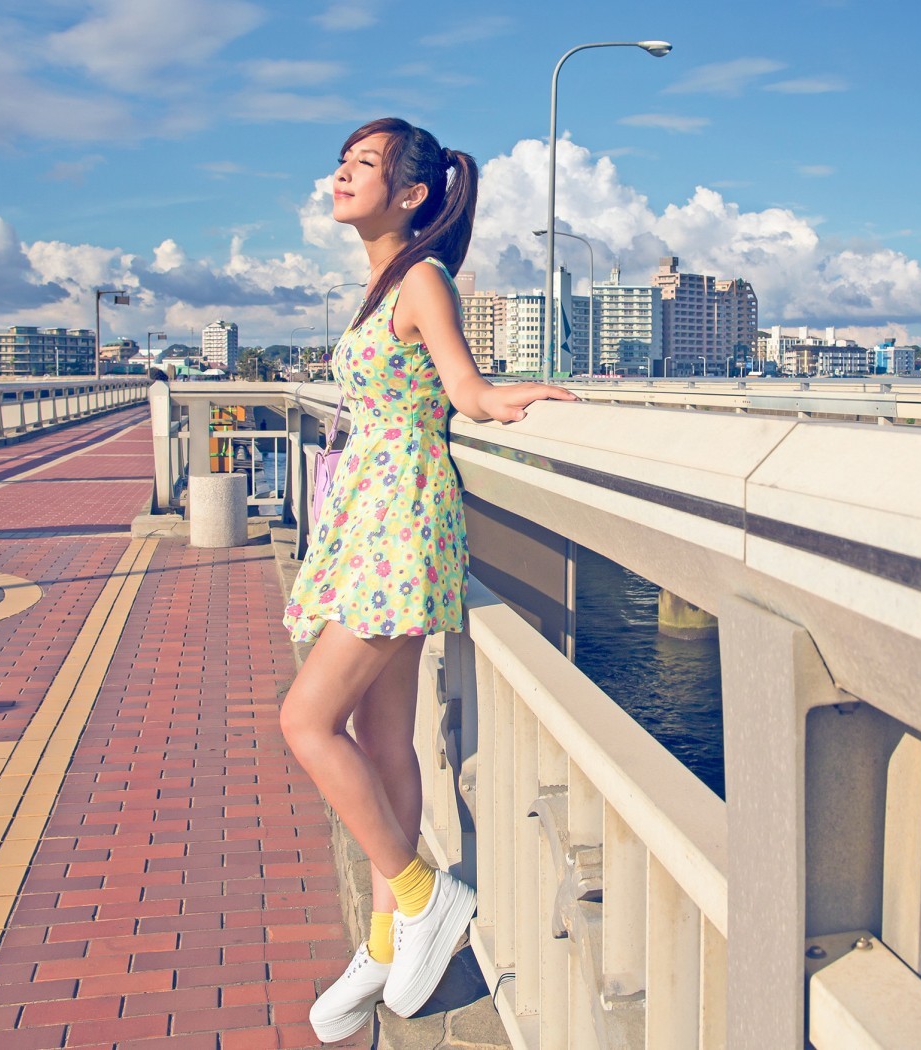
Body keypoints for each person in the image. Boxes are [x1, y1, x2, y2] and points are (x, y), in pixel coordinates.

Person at [279, 117, 576, 1042]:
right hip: (367, 515)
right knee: (379, 733)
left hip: (399, 518)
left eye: (360, 166)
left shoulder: (421, 278)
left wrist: (510, 398)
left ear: (411, 194)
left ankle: (421, 894)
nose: (339, 176)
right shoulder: (379, 282)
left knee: (304, 720)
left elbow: (467, 389)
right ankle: (384, 943)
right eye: (341, 162)